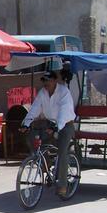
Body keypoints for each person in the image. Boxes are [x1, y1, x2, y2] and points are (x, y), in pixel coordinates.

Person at [19, 70, 76, 198]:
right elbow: (35, 108)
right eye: (44, 80)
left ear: (55, 80)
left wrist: (57, 127)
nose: (46, 83)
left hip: (65, 124)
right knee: (32, 139)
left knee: (62, 152)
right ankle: (46, 163)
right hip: (50, 123)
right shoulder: (42, 93)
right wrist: (26, 123)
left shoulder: (63, 92)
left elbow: (64, 112)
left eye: (48, 80)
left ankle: (62, 185)